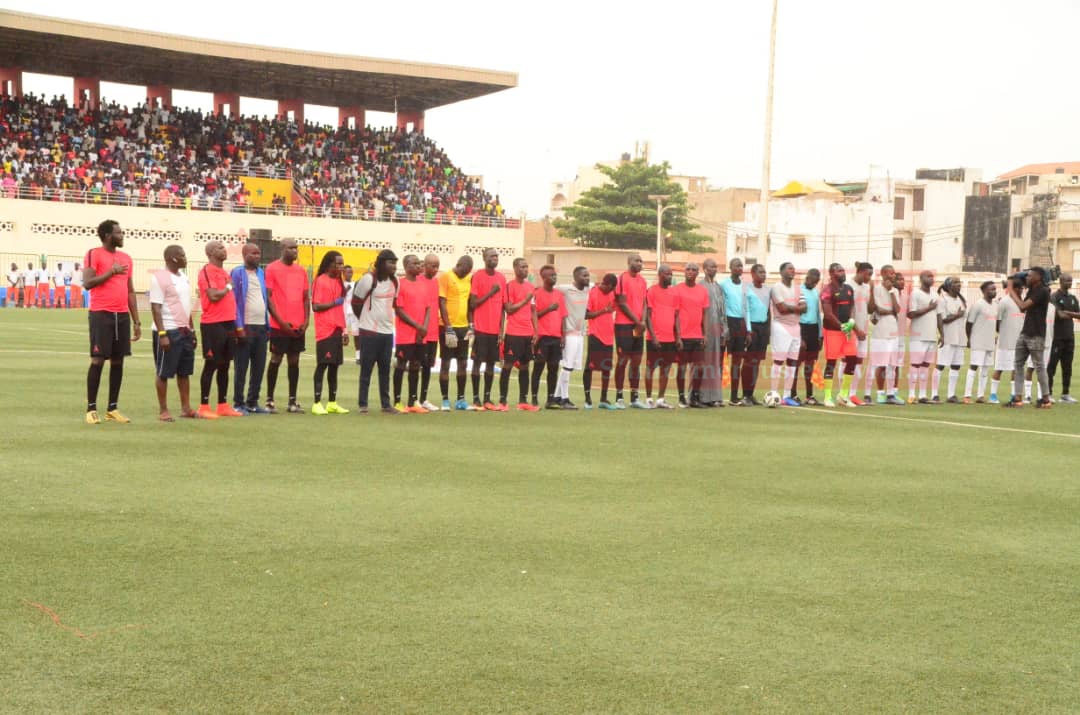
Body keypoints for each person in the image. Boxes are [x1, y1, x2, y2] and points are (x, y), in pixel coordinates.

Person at [82, 219, 140, 424]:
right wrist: (111, 272)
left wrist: (136, 321)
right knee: (98, 360)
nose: (122, 235)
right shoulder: (94, 254)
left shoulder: (126, 258)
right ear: (107, 235)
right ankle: (91, 409)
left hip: (122, 315)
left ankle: (112, 408)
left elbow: (130, 290)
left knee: (118, 361)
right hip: (101, 314)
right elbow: (87, 283)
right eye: (118, 232)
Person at [196, 241, 243, 419]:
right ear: (210, 252)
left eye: (224, 247)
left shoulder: (225, 273)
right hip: (212, 325)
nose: (224, 249)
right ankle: (204, 405)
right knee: (211, 364)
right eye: (219, 247)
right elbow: (213, 296)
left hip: (228, 323)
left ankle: (222, 404)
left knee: (225, 364)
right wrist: (229, 286)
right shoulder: (207, 271)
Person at [150, 245, 197, 421]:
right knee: (163, 372)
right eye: (182, 255)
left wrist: (192, 331)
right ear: (173, 258)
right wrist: (162, 334)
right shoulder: (160, 278)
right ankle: (163, 410)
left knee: (184, 372)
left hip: (184, 330)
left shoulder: (183, 276)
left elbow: (186, 306)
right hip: (168, 330)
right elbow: (155, 307)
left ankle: (186, 408)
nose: (185, 258)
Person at [264, 238, 309, 414]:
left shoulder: (301, 271)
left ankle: (292, 401)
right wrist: (281, 322)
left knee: (294, 361)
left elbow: (306, 298)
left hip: (298, 325)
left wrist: (306, 321)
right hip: (279, 325)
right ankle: (269, 400)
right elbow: (268, 297)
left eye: (296, 248)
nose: (295, 251)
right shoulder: (272, 268)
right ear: (282, 249)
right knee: (276, 359)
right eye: (291, 248)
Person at [352, 249, 399, 414]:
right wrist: (365, 320)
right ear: (381, 263)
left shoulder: (395, 282)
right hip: (369, 332)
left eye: (395, 262)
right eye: (390, 262)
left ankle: (386, 404)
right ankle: (363, 404)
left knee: (385, 370)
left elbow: (395, 304)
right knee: (366, 369)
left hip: (387, 333)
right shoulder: (368, 279)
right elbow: (355, 302)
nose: (394, 266)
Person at [230, 243, 270, 414]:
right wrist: (238, 327)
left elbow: (264, 298)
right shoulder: (237, 272)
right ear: (244, 254)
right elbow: (233, 301)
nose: (257, 256)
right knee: (242, 366)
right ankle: (238, 403)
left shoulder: (261, 273)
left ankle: (252, 402)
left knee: (259, 366)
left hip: (261, 326)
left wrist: (268, 325)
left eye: (259, 253)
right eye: (253, 253)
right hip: (245, 326)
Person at [309, 251, 350, 415]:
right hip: (325, 330)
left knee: (334, 367)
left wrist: (345, 330)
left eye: (342, 264)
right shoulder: (321, 281)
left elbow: (341, 309)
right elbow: (316, 306)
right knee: (322, 366)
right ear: (329, 264)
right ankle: (316, 403)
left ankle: (332, 402)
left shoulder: (338, 282)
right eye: (338, 264)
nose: (340, 267)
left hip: (337, 330)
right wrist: (334, 302)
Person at [1005, 267, 1051, 408]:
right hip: (1025, 332)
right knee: (1018, 364)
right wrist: (1014, 291)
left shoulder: (1042, 291)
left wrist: (1011, 290)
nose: (1027, 278)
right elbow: (1022, 307)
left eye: (1030, 276)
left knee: (1039, 366)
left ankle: (1045, 399)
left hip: (1036, 334)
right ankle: (1018, 398)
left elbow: (1023, 306)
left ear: (1038, 277)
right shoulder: (1032, 290)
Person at [468, 248, 507, 410]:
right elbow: (473, 303)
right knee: (477, 363)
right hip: (481, 329)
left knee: (491, 364)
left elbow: (503, 307)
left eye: (496, 256)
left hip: (494, 330)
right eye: (492, 256)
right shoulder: (478, 276)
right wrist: (491, 292)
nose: (495, 259)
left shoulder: (501, 278)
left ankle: (487, 398)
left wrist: (501, 330)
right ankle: (476, 398)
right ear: (484, 258)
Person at [393, 255, 432, 413]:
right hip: (405, 334)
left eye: (419, 263)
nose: (418, 266)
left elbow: (428, 308)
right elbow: (399, 310)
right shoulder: (400, 284)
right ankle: (396, 401)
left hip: (420, 335)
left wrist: (423, 329)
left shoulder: (423, 284)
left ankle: (412, 401)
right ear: (406, 265)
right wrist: (417, 326)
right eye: (415, 263)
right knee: (401, 365)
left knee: (416, 365)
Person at [500, 258, 537, 411]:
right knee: (508, 366)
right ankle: (503, 400)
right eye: (522, 267)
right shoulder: (509, 286)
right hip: (513, 332)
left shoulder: (531, 287)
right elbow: (508, 309)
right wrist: (525, 300)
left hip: (528, 333)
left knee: (525, 366)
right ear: (515, 268)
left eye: (526, 267)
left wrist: (536, 331)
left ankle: (523, 400)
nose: (525, 270)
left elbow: (533, 310)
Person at [821, 263, 858, 407]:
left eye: (843, 270)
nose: (843, 273)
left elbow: (852, 307)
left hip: (847, 330)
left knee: (852, 359)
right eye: (839, 271)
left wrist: (852, 321)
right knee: (831, 362)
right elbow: (828, 313)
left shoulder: (849, 289)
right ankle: (828, 397)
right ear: (831, 274)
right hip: (832, 331)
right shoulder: (827, 290)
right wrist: (840, 325)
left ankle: (843, 395)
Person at [438, 255, 473, 410]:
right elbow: (442, 302)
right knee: (446, 362)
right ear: (458, 265)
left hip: (463, 327)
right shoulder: (446, 277)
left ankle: (461, 399)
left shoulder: (469, 279)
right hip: (448, 327)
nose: (466, 274)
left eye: (468, 272)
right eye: (464, 270)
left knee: (463, 363)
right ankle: (445, 400)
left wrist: (471, 325)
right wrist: (448, 326)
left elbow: (469, 302)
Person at [614, 253, 648, 408]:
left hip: (638, 326)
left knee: (636, 361)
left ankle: (634, 397)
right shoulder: (622, 278)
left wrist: (643, 321)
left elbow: (645, 303)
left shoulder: (643, 281)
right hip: (624, 325)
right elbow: (622, 302)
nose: (639, 263)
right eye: (637, 260)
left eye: (641, 261)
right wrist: (637, 321)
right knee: (623, 361)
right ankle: (619, 397)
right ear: (629, 262)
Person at [532, 265, 568, 409]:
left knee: (553, 368)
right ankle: (534, 398)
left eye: (555, 275)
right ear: (544, 277)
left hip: (555, 337)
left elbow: (563, 316)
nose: (554, 277)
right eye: (551, 275)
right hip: (542, 337)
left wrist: (563, 335)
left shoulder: (559, 295)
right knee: (538, 367)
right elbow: (534, 315)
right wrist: (549, 309)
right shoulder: (536, 293)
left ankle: (550, 399)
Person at [675, 262, 709, 407]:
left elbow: (705, 313)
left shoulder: (702, 291)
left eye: (694, 270)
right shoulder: (677, 290)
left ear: (697, 273)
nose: (690, 271)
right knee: (682, 367)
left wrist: (705, 334)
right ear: (684, 272)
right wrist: (677, 336)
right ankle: (681, 397)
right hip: (682, 336)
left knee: (700, 366)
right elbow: (675, 314)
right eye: (688, 269)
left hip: (697, 335)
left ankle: (694, 396)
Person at [555, 266, 590, 409]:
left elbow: (602, 285)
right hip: (569, 334)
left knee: (571, 366)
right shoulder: (565, 289)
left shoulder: (588, 289)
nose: (587, 278)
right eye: (584, 276)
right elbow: (547, 288)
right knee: (567, 367)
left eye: (588, 276)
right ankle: (565, 399)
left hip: (580, 334)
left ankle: (557, 396)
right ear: (575, 278)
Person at [769, 262, 803, 407]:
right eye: (789, 268)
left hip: (796, 327)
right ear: (781, 271)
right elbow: (781, 309)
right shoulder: (776, 287)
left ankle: (787, 395)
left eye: (793, 268)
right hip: (781, 326)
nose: (792, 271)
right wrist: (796, 308)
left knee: (793, 362)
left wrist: (792, 308)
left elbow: (805, 308)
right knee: (778, 361)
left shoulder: (797, 288)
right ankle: (773, 393)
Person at [868, 265, 903, 405]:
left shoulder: (894, 290)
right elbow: (873, 309)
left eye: (894, 273)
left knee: (892, 365)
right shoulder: (876, 289)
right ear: (882, 274)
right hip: (880, 332)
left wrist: (891, 292)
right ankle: (880, 393)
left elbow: (897, 310)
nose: (892, 276)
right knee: (880, 364)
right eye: (890, 273)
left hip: (893, 331)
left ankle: (890, 394)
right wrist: (886, 311)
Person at [643, 265, 677, 408]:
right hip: (654, 338)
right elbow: (648, 317)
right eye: (667, 274)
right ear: (660, 275)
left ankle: (661, 399)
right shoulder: (651, 291)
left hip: (670, 338)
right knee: (651, 368)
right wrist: (653, 336)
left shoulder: (673, 293)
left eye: (671, 274)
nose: (670, 276)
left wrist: (678, 337)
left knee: (666, 369)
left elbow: (676, 316)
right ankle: (649, 398)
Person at [584, 273, 618, 409]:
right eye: (611, 288)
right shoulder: (593, 293)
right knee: (590, 367)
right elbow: (586, 315)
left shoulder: (612, 294)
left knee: (606, 368)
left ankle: (603, 399)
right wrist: (603, 310)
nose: (612, 291)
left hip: (609, 336)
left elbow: (615, 307)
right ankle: (587, 399)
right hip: (595, 335)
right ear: (607, 285)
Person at [906, 271, 939, 404]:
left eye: (932, 277)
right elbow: (911, 313)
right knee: (915, 364)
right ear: (921, 279)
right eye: (928, 276)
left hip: (931, 335)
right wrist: (929, 307)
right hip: (918, 336)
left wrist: (941, 333)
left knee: (926, 365)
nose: (931, 279)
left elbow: (938, 315)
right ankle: (911, 394)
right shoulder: (915, 293)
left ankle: (923, 395)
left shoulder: (935, 294)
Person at [720, 258, 749, 405]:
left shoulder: (745, 286)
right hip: (728, 323)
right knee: (720, 360)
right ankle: (716, 395)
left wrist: (748, 329)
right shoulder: (724, 284)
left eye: (741, 266)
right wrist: (722, 325)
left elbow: (746, 309)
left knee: (737, 361)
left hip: (741, 324)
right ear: (730, 268)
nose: (739, 268)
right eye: (736, 265)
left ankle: (733, 396)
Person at [963, 281, 998, 404]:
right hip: (978, 341)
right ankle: (967, 395)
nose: (994, 291)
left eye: (995, 289)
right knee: (974, 366)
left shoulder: (995, 305)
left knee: (985, 369)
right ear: (984, 291)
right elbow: (969, 323)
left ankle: (980, 395)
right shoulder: (978, 305)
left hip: (990, 342)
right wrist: (969, 338)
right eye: (991, 289)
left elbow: (995, 323)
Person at [990, 278, 1024, 404]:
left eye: (1022, 288)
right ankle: (993, 395)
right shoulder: (1004, 302)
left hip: (1019, 343)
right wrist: (1002, 333)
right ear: (1013, 289)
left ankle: (1013, 395)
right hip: (1005, 342)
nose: (1021, 290)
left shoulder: (1022, 302)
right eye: (1019, 288)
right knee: (999, 368)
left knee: (1016, 369)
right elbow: (997, 322)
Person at [699, 258, 727, 406]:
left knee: (716, 364)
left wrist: (724, 331)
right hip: (705, 331)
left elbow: (723, 310)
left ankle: (715, 397)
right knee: (704, 363)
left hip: (717, 331)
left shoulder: (718, 287)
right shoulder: (700, 286)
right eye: (711, 267)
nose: (714, 269)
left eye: (715, 266)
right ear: (704, 269)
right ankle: (702, 397)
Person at [792, 268, 822, 405]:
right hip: (801, 328)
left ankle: (809, 395)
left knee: (810, 365)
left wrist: (820, 334)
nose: (813, 284)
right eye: (812, 280)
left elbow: (817, 313)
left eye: (816, 282)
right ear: (807, 277)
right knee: (797, 363)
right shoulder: (798, 291)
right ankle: (792, 394)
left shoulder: (816, 292)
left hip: (814, 329)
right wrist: (797, 334)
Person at [741, 263, 770, 406]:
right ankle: (744, 394)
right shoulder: (747, 289)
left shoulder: (768, 290)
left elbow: (768, 311)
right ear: (752, 274)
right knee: (748, 362)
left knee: (757, 362)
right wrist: (748, 330)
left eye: (764, 272)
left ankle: (751, 394)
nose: (763, 275)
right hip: (752, 328)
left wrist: (768, 331)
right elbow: (745, 311)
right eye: (760, 272)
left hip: (763, 329)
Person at [935, 277, 967, 403]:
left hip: (960, 338)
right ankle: (934, 394)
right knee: (941, 365)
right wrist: (957, 315)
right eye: (955, 282)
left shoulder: (961, 300)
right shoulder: (942, 300)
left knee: (956, 366)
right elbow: (942, 319)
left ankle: (951, 395)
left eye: (959, 282)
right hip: (948, 337)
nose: (958, 284)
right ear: (948, 285)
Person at [1048, 274, 1079, 403]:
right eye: (1067, 280)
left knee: (1067, 367)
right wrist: (1070, 314)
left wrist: (1067, 312)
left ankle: (1065, 394)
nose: (1069, 282)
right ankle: (1048, 393)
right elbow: (1059, 315)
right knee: (1052, 367)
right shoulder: (1054, 297)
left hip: (1069, 337)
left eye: (1070, 280)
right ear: (1060, 282)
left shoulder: (1072, 298)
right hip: (1057, 337)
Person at [418, 255, 442, 411]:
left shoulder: (436, 282)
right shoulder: (418, 281)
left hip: (433, 331)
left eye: (437, 266)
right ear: (424, 265)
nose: (435, 269)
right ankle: (412, 399)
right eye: (432, 266)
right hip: (420, 330)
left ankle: (423, 399)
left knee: (428, 366)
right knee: (415, 366)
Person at [849, 261, 873, 405]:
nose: (869, 277)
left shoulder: (866, 287)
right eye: (868, 274)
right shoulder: (848, 285)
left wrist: (873, 289)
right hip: (851, 329)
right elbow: (846, 311)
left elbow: (869, 309)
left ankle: (852, 394)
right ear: (860, 272)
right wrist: (855, 329)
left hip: (864, 330)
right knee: (848, 361)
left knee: (859, 362)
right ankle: (843, 393)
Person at [889, 272, 908, 398]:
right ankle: (885, 392)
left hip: (902, 334)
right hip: (891, 335)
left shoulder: (905, 294)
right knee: (889, 364)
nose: (902, 281)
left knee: (898, 365)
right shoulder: (891, 293)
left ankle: (894, 391)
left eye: (903, 279)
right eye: (899, 279)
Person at [343, 265, 362, 365]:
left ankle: (358, 357)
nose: (349, 274)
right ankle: (337, 355)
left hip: (354, 312)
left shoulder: (355, 284)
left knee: (357, 335)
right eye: (347, 272)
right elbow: (340, 296)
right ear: (343, 273)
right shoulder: (340, 284)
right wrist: (346, 289)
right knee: (341, 335)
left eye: (351, 272)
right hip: (343, 312)